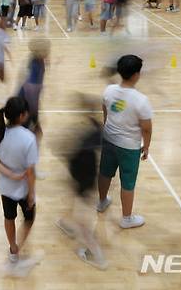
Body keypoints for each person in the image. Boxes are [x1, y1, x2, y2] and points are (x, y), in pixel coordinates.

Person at [97, 55, 152, 229]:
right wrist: (147, 147)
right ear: (137, 74)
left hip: (109, 139)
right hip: (129, 147)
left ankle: (101, 201)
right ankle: (126, 219)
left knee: (105, 173)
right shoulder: (141, 100)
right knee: (128, 181)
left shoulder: (109, 90)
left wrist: (107, 124)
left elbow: (105, 108)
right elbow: (147, 128)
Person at [55, 99, 107, 270]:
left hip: (84, 180)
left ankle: (98, 257)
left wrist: (65, 151)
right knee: (72, 198)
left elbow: (68, 152)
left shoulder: (85, 140)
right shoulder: (96, 130)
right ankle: (64, 222)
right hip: (85, 178)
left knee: (83, 223)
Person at [0, 97, 38, 266]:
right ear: (21, 116)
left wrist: (9, 174)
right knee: (29, 219)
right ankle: (19, 246)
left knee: (9, 217)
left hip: (5, 188)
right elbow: (31, 172)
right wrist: (31, 195)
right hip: (23, 189)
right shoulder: (29, 139)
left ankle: (13, 248)